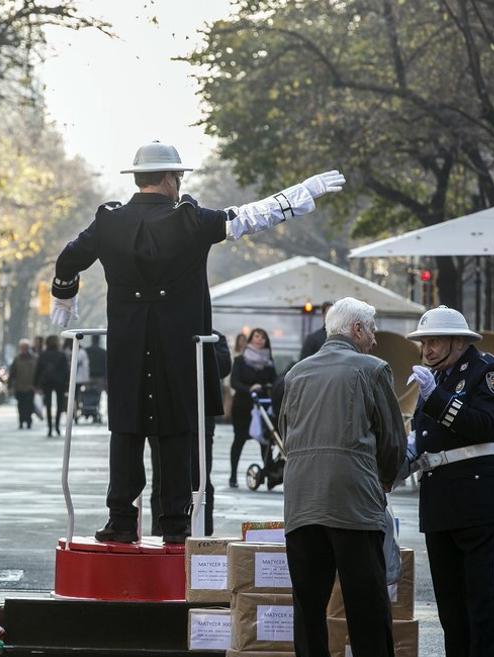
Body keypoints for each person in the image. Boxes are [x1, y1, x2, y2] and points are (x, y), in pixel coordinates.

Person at [49, 140, 344, 544]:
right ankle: (174, 523)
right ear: (171, 179)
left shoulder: (109, 222)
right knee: (175, 434)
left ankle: (120, 519)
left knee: (126, 430)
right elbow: (247, 219)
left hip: (128, 348)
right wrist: (298, 196)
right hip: (180, 349)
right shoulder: (189, 220)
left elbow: (69, 257)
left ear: (137, 179)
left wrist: (65, 293)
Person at [278, 297, 404, 657]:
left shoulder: (296, 372)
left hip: (301, 502)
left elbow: (287, 432)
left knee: (308, 605)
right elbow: (393, 441)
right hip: (353, 503)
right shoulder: (373, 369)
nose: (376, 341)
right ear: (358, 330)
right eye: (373, 331)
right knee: (366, 604)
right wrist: (382, 479)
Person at [405, 306, 494, 657]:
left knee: (483, 604)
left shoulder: (488, 372)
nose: (428, 349)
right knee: (451, 609)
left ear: (459, 341)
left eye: (435, 340)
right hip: (442, 502)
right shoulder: (436, 379)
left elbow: (484, 425)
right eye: (424, 342)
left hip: (480, 501)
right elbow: (427, 437)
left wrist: (436, 398)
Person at [150, 329, 231, 536]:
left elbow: (222, 368)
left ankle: (202, 530)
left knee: (201, 475)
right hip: (165, 414)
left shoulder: (213, 337)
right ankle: (161, 529)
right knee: (162, 475)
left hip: (200, 418)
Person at [228, 328, 277, 488]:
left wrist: (263, 386)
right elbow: (234, 382)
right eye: (257, 336)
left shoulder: (269, 362)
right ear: (250, 339)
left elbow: (274, 381)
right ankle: (233, 475)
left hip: (262, 407)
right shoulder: (241, 360)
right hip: (243, 406)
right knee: (239, 440)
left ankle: (270, 474)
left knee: (266, 442)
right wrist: (250, 389)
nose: (260, 339)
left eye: (263, 337)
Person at [34, 335, 70, 438]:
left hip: (47, 382)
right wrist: (68, 383)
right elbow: (66, 370)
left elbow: (38, 370)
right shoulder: (61, 355)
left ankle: (50, 427)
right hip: (60, 382)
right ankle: (57, 426)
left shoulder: (43, 355)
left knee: (48, 405)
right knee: (60, 405)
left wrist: (36, 384)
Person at [7, 339, 38, 429]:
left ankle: (28, 421)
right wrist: (10, 385)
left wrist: (38, 385)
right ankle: (21, 421)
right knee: (20, 406)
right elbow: (12, 373)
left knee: (29, 405)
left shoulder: (34, 358)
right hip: (19, 387)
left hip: (30, 387)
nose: (24, 349)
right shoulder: (17, 359)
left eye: (25, 348)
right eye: (22, 348)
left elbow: (38, 372)